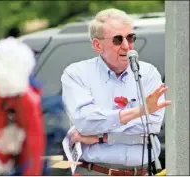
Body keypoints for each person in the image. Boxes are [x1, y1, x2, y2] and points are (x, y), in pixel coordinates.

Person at [61, 8, 171, 176]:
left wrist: (100, 137)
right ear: (98, 45)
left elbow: (153, 125)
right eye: (118, 39)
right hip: (95, 171)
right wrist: (138, 112)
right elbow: (85, 121)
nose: (127, 46)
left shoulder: (148, 73)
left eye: (130, 37)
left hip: (141, 172)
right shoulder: (77, 73)